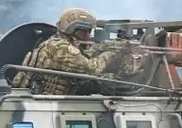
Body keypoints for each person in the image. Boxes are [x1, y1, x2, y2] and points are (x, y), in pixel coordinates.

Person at [12, 7, 144, 95]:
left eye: (89, 31)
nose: (88, 35)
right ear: (72, 30)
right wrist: (112, 53)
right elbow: (91, 69)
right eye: (84, 31)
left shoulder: (60, 42)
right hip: (46, 101)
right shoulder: (60, 47)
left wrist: (114, 45)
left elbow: (89, 49)